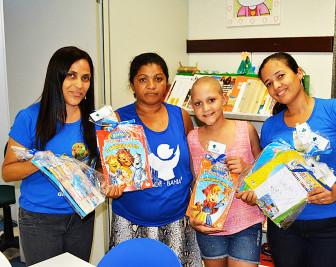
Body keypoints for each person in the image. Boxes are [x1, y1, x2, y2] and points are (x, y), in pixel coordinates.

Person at [258, 52, 336, 267]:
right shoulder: (270, 126)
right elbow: (266, 176)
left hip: (332, 228)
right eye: (269, 83)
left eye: (280, 76)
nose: (276, 86)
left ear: (299, 73)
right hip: (284, 230)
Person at [1, 46, 105, 265]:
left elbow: (97, 167)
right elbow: (7, 172)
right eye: (71, 75)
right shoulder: (29, 117)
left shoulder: (95, 120)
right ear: (56, 77)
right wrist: (39, 162)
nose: (79, 85)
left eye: (86, 78)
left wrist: (105, 180)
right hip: (40, 220)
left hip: (81, 217)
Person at [110, 52, 202, 267]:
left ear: (167, 85)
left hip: (179, 220)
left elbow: (192, 166)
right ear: (132, 85)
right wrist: (109, 183)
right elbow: (107, 165)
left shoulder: (182, 116)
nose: (151, 85)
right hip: (131, 222)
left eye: (158, 79)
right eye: (143, 79)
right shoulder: (117, 119)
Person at [187, 76, 265, 267]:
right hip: (208, 224)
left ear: (224, 98)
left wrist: (246, 168)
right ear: (192, 106)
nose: (206, 108)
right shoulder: (192, 138)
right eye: (198, 103)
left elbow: (264, 172)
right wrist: (192, 217)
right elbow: (193, 183)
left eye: (211, 100)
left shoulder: (246, 130)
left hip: (245, 222)